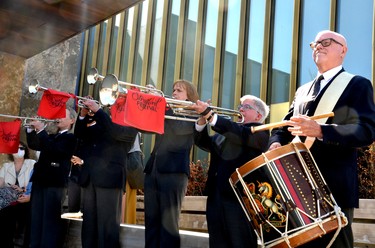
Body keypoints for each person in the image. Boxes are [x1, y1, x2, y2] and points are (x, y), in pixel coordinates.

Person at [268, 30, 375, 248]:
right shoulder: (302, 91)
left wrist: (322, 131)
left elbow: (366, 131)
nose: (318, 46)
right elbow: (284, 127)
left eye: (326, 42)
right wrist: (275, 143)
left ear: (343, 50)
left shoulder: (357, 85)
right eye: (315, 43)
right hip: (296, 187)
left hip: (333, 188)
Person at [192, 95, 270, 247]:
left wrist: (210, 115)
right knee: (217, 243)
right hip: (216, 197)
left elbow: (239, 134)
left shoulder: (260, 132)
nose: (240, 109)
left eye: (246, 107)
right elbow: (203, 142)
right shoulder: (228, 133)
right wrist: (202, 120)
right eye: (240, 106)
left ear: (258, 115)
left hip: (239, 199)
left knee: (240, 242)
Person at [143, 80, 199, 248]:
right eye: (173, 89)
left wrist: (164, 106)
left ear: (189, 96)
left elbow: (179, 128)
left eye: (179, 90)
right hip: (153, 170)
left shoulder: (193, 113)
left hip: (174, 173)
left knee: (168, 224)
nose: (174, 93)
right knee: (151, 223)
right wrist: (147, 104)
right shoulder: (166, 110)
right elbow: (145, 127)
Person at [75, 99, 138, 248]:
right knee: (89, 227)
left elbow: (115, 132)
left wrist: (99, 111)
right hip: (91, 177)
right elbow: (80, 134)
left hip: (110, 178)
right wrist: (83, 115)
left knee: (107, 227)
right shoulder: (102, 119)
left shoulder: (131, 123)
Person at [26, 106, 77, 248]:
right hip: (40, 180)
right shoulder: (52, 136)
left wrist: (41, 130)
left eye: (63, 115)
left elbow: (55, 150)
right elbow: (34, 144)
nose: (58, 118)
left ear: (72, 120)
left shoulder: (71, 138)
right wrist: (31, 129)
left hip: (55, 183)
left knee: (49, 222)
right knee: (36, 219)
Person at [0, 141, 35, 248]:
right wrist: (8, 185)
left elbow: (34, 182)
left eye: (22, 148)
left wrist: (22, 189)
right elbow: (1, 182)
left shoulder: (32, 163)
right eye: (17, 148)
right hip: (8, 197)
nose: (19, 150)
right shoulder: (6, 165)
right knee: (5, 213)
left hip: (25, 196)